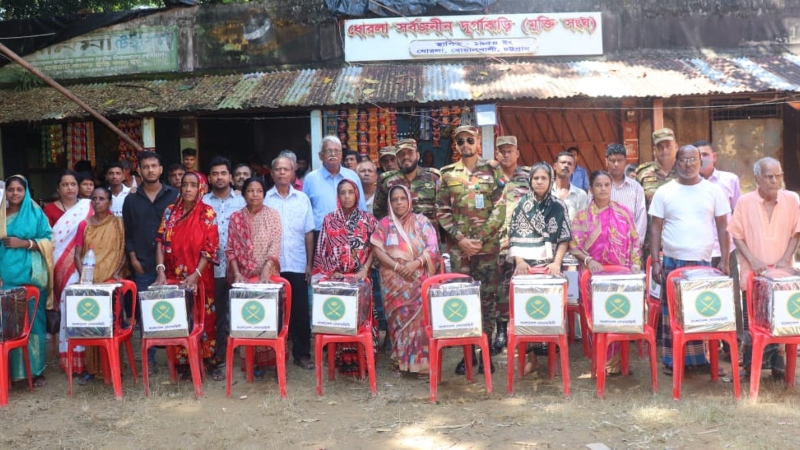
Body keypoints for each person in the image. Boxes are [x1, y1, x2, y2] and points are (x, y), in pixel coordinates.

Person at [650, 144, 731, 376]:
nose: (688, 164)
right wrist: (656, 261)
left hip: (702, 263)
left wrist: (724, 260)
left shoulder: (713, 191)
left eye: (693, 159)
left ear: (701, 161)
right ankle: (671, 360)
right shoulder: (664, 192)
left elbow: (723, 227)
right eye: (683, 160)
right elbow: (655, 229)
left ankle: (699, 361)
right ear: (677, 162)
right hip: (672, 262)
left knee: (700, 313)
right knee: (672, 314)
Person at [436, 125, 506, 375]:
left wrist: (479, 239)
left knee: (487, 302)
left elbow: (500, 209)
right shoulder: (447, 175)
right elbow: (442, 211)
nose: (465, 145)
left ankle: (484, 354)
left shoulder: (491, 172)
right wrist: (461, 240)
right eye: (460, 141)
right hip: (460, 252)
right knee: (464, 302)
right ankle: (467, 355)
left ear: (478, 143)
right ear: (456, 146)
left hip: (487, 251)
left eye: (469, 140)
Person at [729, 157, 800, 381]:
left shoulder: (792, 199)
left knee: (780, 319)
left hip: (781, 275)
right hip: (753, 274)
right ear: (757, 178)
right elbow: (737, 235)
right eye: (769, 176)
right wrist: (753, 259)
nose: (774, 180)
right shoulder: (744, 201)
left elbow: (796, 233)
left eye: (778, 176)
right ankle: (751, 367)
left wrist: (785, 259)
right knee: (754, 322)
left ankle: (779, 367)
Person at [570, 170, 642, 375]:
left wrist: (635, 264)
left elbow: (635, 241)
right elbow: (574, 245)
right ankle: (600, 360)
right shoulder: (582, 216)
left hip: (621, 278)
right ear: (591, 189)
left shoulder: (623, 213)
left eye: (606, 185)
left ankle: (617, 362)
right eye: (598, 185)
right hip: (593, 278)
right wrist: (588, 260)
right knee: (599, 318)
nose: (603, 189)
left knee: (618, 314)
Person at [507, 162, 571, 374]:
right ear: (530, 181)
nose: (540, 182)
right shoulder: (521, 206)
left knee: (550, 311)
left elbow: (564, 238)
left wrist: (556, 263)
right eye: (536, 178)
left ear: (550, 180)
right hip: (526, 266)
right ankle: (532, 358)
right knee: (528, 311)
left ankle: (552, 356)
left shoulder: (558, 206)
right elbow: (514, 237)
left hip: (550, 265)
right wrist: (519, 262)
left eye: (544, 178)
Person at [153, 171, 219, 378]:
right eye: (185, 185)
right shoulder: (170, 212)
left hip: (199, 277)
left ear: (201, 188)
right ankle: (182, 364)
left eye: (193, 185)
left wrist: (196, 274)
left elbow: (210, 249)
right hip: (173, 277)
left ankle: (206, 361)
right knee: (180, 318)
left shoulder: (207, 213)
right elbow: (160, 243)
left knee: (202, 318)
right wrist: (161, 271)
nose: (188, 189)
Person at [371, 185, 438, 377]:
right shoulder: (384, 224)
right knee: (398, 323)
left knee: (420, 322)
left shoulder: (422, 221)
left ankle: (421, 365)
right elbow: (377, 249)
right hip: (393, 282)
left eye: (402, 198)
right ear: (389, 203)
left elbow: (432, 247)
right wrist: (399, 267)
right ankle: (402, 364)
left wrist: (415, 264)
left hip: (419, 281)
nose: (399, 202)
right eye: (395, 199)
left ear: (409, 200)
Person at [313, 179, 377, 375]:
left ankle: (363, 361)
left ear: (356, 194)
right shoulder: (329, 220)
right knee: (339, 317)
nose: (347, 196)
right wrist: (333, 272)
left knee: (361, 322)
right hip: (337, 280)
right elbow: (322, 249)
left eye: (350, 192)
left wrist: (365, 269)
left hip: (361, 280)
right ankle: (341, 361)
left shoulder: (368, 220)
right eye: (343, 192)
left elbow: (375, 247)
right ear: (338, 196)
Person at [122, 151, 179, 371]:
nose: (150, 170)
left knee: (173, 309)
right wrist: (132, 257)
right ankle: (150, 358)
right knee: (146, 312)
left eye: (154, 166)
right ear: (140, 171)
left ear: (160, 169)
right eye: (146, 167)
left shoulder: (174, 195)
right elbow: (128, 231)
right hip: (143, 264)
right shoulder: (131, 199)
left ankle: (176, 358)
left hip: (172, 263)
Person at [0, 175, 53, 388]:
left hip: (32, 277)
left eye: (18, 190)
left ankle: (36, 371)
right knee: (9, 326)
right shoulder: (1, 214)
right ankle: (11, 373)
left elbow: (48, 240)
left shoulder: (35, 214)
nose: (14, 194)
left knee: (33, 324)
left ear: (26, 191)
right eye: (11, 190)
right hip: (7, 277)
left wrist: (25, 243)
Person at [226, 177, 283, 379]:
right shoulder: (235, 218)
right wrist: (238, 273)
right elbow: (230, 249)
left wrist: (266, 271)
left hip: (268, 278)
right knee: (249, 319)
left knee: (268, 320)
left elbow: (275, 245)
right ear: (244, 194)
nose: (255, 194)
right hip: (244, 280)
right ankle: (252, 364)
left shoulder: (272, 215)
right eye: (250, 190)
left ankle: (273, 362)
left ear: (264, 193)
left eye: (259, 191)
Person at [264, 156, 316, 370]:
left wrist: (309, 264)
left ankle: (302, 354)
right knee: (274, 312)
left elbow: (309, 233)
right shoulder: (265, 199)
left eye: (286, 169)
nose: (282, 173)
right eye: (278, 169)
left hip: (296, 263)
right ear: (272, 173)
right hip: (272, 265)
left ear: (294, 172)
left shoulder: (302, 199)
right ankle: (273, 356)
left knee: (300, 311)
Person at [72, 186, 127, 385]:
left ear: (110, 202)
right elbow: (77, 255)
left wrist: (116, 273)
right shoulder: (84, 225)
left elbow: (122, 253)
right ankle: (93, 369)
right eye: (94, 198)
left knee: (111, 326)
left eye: (102, 198)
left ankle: (113, 367)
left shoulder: (117, 224)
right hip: (90, 282)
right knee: (91, 323)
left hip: (111, 283)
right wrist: (84, 278)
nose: (97, 202)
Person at [42, 170, 94, 375]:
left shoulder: (87, 207)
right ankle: (71, 358)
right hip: (59, 265)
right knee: (66, 305)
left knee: (81, 307)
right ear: (58, 188)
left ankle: (87, 357)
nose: (70, 188)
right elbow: (48, 239)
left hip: (85, 264)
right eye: (65, 184)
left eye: (73, 184)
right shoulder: (49, 209)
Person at [696, 139, 743, 355]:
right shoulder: (690, 184)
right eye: (698, 155)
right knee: (705, 300)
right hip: (701, 252)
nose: (702, 158)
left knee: (732, 298)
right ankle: (708, 349)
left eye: (705, 154)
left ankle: (734, 345)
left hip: (726, 250)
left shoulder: (729, 180)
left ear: (714, 156)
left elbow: (737, 215)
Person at [202, 157, 246, 381]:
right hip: (212, 269)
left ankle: (245, 356)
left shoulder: (241, 201)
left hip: (239, 267)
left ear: (230, 176)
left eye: (223, 173)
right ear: (209, 178)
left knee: (241, 311)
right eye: (215, 173)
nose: (219, 177)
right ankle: (218, 357)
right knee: (217, 314)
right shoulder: (202, 203)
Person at [494, 135, 531, 355]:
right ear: (497, 154)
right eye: (502, 151)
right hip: (497, 243)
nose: (506, 155)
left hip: (524, 245)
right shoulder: (490, 177)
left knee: (523, 286)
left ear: (517, 153)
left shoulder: (529, 177)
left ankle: (525, 330)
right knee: (499, 289)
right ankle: (500, 331)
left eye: (510, 151)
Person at [303, 136, 367, 240]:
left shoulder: (352, 176)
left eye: (336, 151)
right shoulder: (311, 179)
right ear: (320, 155)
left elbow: (362, 208)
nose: (333, 154)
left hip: (350, 232)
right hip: (320, 235)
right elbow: (305, 212)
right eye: (328, 151)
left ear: (341, 155)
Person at [373, 138, 440, 224]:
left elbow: (443, 211)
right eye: (401, 154)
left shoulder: (433, 177)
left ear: (418, 155)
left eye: (410, 152)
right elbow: (379, 212)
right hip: (399, 234)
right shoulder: (387, 181)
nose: (406, 157)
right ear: (397, 158)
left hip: (429, 234)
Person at [636, 128, 677, 261]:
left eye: (668, 146)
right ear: (654, 150)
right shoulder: (642, 173)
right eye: (660, 147)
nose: (664, 150)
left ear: (676, 146)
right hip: (650, 245)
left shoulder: (686, 173)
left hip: (679, 243)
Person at [604, 143, 646, 250]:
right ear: (606, 161)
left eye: (620, 160)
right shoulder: (598, 186)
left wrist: (636, 245)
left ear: (625, 161)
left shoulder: (636, 188)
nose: (616, 164)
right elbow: (592, 217)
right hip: (604, 247)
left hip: (630, 248)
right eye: (612, 160)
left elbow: (641, 218)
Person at [553, 151, 589, 224]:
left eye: (569, 164)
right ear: (555, 166)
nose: (566, 165)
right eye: (563, 162)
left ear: (573, 169)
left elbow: (583, 224)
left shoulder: (581, 195)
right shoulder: (546, 192)